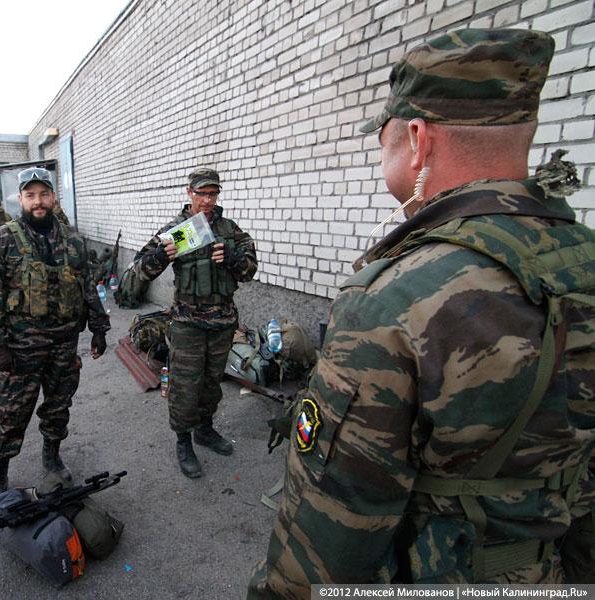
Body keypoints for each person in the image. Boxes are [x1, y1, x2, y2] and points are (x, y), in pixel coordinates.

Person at [249, 29, 595, 597]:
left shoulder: (393, 300)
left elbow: (332, 530)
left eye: (381, 138)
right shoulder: (582, 257)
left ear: (417, 138)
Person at [0, 166, 110, 511]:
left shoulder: (73, 239)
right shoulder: (2, 239)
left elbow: (86, 287)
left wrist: (99, 327)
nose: (38, 202)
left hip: (64, 343)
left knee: (58, 405)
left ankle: (51, 457)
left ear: (53, 198)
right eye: (31, 195)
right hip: (20, 347)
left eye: (44, 194)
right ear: (20, 199)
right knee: (11, 413)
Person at [130, 167, 257, 478]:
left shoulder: (230, 229)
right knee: (185, 385)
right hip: (187, 323)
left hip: (222, 322)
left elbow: (250, 271)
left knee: (212, 384)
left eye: (213, 193)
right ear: (189, 193)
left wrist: (232, 257)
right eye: (202, 193)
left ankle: (205, 429)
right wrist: (161, 255)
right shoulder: (176, 229)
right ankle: (183, 440)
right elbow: (139, 270)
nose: (208, 200)